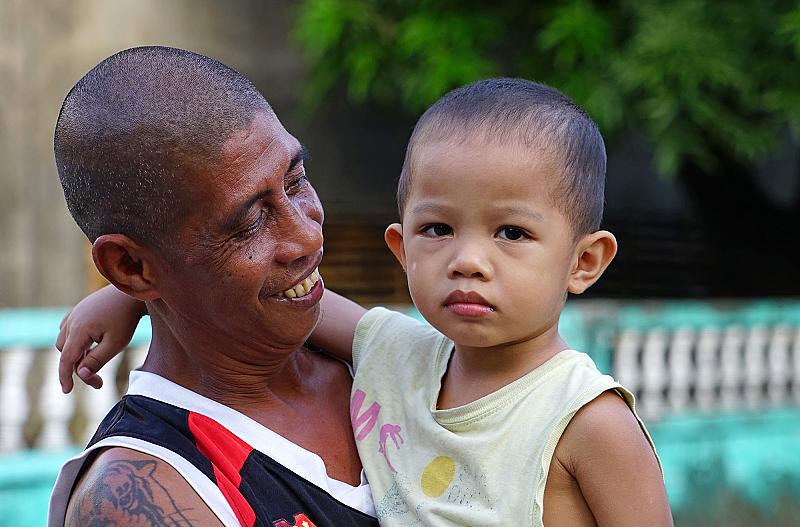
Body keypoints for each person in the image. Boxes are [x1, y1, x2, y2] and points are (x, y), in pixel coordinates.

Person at [58, 79, 673, 526]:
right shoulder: (399, 362)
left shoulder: (586, 421)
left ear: (585, 262)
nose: (469, 260)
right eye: (438, 229)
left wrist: (137, 294)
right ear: (401, 247)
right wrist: (132, 297)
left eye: (511, 233)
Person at [49, 46, 378, 527]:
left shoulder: (379, 366)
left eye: (296, 182)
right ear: (132, 267)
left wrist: (133, 300)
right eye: (250, 222)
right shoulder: (146, 494)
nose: (308, 237)